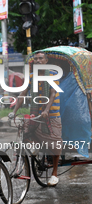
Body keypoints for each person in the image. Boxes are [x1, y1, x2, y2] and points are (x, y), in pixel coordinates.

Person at [9, 51, 62, 186]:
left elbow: (53, 93)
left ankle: (54, 173)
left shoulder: (52, 74)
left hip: (52, 114)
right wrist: (14, 111)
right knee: (25, 130)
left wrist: (46, 110)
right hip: (36, 113)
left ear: (46, 61)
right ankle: (36, 147)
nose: (38, 61)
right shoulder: (31, 76)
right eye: (36, 59)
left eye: (40, 58)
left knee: (55, 144)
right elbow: (22, 93)